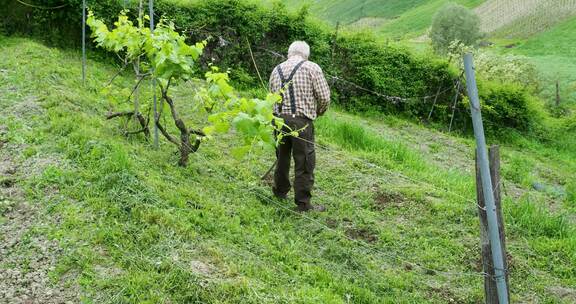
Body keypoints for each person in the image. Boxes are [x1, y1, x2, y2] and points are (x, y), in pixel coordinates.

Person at [268, 41, 331, 212]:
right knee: (304, 161)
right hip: (301, 122)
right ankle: (303, 203)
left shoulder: (276, 70)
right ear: (306, 54)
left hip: (279, 120)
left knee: (282, 157)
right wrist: (318, 112)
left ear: (289, 53)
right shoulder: (312, 67)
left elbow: (271, 97)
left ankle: (280, 192)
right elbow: (324, 97)